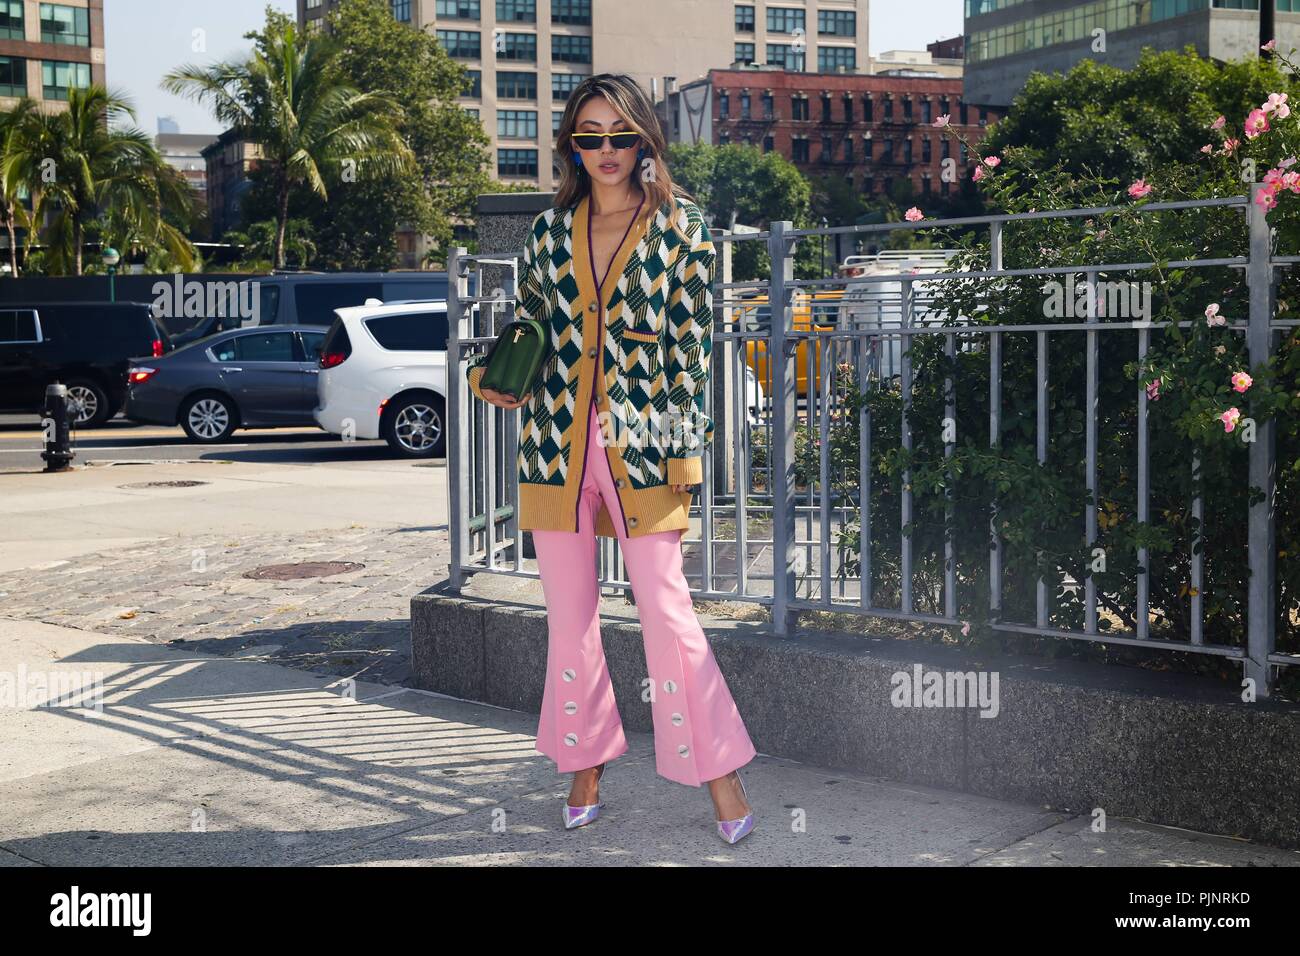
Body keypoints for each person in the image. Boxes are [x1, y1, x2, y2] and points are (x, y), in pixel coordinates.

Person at [466, 73, 757, 844]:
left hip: (646, 444)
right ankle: (585, 762)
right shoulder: (547, 232)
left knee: (665, 610)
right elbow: (531, 327)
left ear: (644, 141)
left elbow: (692, 350)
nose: (606, 150)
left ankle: (720, 771)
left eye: (621, 135)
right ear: (570, 145)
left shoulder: (682, 228)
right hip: (553, 445)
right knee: (570, 620)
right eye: (589, 136)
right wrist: (492, 376)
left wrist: (685, 452)